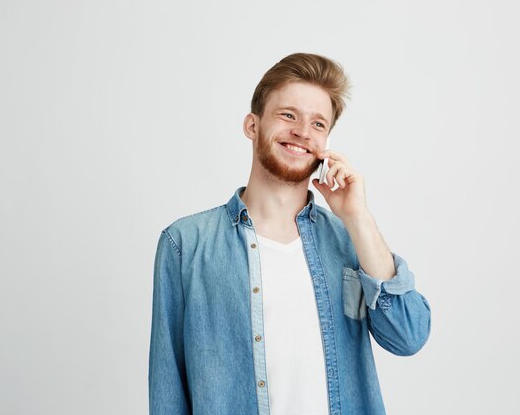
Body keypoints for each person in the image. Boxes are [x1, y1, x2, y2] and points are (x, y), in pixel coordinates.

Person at [148, 53, 431, 415]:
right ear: (252, 125)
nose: (302, 132)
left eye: (318, 124)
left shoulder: (350, 239)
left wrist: (358, 217)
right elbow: (168, 389)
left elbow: (408, 337)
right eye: (288, 115)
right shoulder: (185, 245)